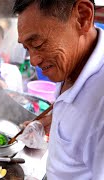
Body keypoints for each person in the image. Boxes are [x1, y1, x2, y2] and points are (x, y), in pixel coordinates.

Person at [13, 0, 104, 179]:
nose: (33, 60)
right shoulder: (71, 61)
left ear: (83, 17)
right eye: (27, 48)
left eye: (38, 44)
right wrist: (53, 120)